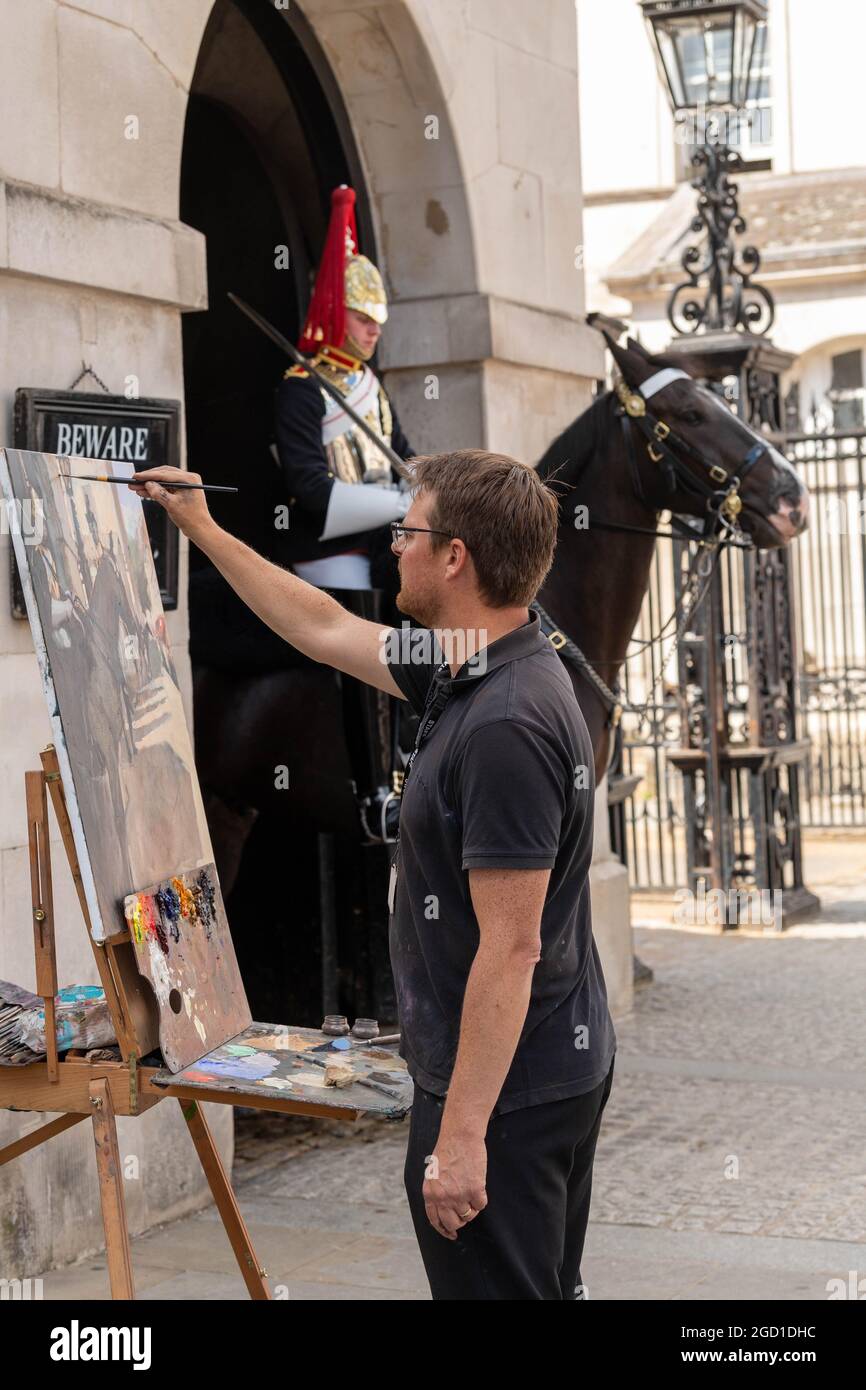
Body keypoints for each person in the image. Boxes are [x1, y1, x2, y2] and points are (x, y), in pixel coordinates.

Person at [128, 447, 617, 1301]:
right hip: (525, 1071)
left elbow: (511, 949)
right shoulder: (474, 657)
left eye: (408, 529)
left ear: (455, 555)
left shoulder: (508, 722)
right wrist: (201, 528)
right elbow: (320, 625)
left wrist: (462, 1137)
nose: (394, 544)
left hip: (505, 1093)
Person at [273, 183, 415, 839]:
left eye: (379, 321)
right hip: (333, 546)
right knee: (365, 636)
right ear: (337, 313)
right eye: (364, 319)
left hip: (388, 540)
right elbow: (308, 486)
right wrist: (397, 504)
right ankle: (372, 785)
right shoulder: (304, 390)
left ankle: (419, 746)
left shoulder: (371, 387)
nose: (375, 330)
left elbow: (408, 459)